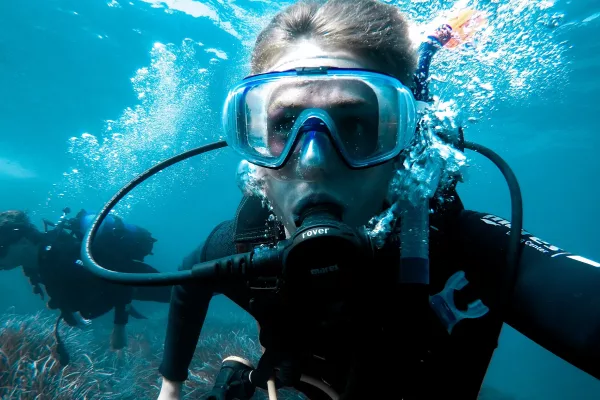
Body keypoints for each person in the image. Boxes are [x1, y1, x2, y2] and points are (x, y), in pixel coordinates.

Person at [138, 0, 600, 399]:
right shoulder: (245, 243)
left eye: (356, 124)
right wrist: (170, 387)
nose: (314, 160)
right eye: (285, 125)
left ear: (406, 143)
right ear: (255, 147)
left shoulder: (470, 254)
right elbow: (190, 282)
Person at [0, 208, 172, 358]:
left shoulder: (63, 255)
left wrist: (119, 329)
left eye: (0, 249)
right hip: (118, 288)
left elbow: (118, 280)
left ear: (23, 241)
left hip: (134, 278)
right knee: (180, 294)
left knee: (179, 292)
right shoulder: (34, 262)